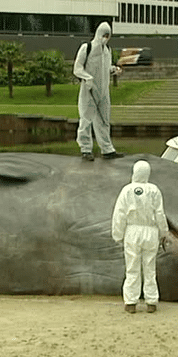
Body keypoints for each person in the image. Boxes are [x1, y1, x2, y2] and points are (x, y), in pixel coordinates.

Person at [112, 160, 169, 314]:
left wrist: (118, 235)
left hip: (132, 231)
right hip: (151, 232)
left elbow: (120, 214)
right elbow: (159, 213)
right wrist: (164, 232)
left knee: (132, 267)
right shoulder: (154, 190)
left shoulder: (127, 191)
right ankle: (151, 301)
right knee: (150, 268)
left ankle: (131, 302)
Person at [73, 21, 123, 161]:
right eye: (104, 35)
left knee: (104, 120)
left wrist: (113, 70)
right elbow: (77, 68)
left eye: (108, 35)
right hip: (88, 90)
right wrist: (87, 78)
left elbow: (104, 68)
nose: (105, 38)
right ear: (98, 34)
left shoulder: (107, 50)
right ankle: (86, 149)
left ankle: (107, 149)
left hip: (103, 91)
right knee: (86, 119)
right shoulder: (86, 48)